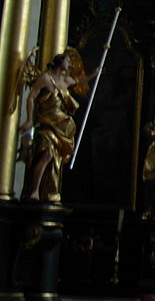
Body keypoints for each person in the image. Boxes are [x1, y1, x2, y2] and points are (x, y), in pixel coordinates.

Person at [20, 53, 97, 202]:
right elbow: (31, 97)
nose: (70, 64)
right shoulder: (45, 78)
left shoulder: (65, 80)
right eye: (68, 61)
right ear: (60, 62)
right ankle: (33, 191)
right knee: (47, 154)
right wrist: (29, 120)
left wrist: (95, 73)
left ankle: (47, 192)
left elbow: (80, 80)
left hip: (60, 126)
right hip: (47, 123)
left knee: (54, 159)